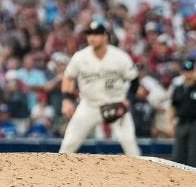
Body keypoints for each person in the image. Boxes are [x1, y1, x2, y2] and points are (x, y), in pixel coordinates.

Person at [58, 21, 141, 156]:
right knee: (69, 143)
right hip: (89, 105)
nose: (92, 37)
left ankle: (141, 175)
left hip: (115, 103)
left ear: (105, 37)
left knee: (130, 143)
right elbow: (68, 77)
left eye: (96, 34)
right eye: (89, 34)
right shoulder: (80, 57)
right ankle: (55, 174)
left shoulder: (119, 57)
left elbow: (134, 80)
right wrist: (67, 100)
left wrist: (127, 100)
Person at [169, 58, 196, 166]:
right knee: (178, 155)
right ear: (182, 72)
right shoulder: (178, 88)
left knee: (193, 155)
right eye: (186, 71)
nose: (188, 73)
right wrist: (170, 123)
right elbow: (173, 107)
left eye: (190, 71)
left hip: (194, 123)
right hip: (181, 123)